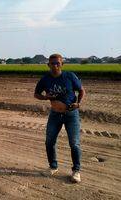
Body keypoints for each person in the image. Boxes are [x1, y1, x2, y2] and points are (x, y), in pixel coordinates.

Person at [34, 54, 85, 183]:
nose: (55, 65)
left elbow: (81, 90)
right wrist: (46, 97)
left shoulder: (70, 76)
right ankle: (53, 167)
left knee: (74, 143)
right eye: (52, 63)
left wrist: (78, 103)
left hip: (71, 115)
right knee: (49, 142)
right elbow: (36, 94)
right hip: (55, 114)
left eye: (57, 63)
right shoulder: (45, 79)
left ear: (62, 64)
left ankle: (76, 171)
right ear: (48, 65)